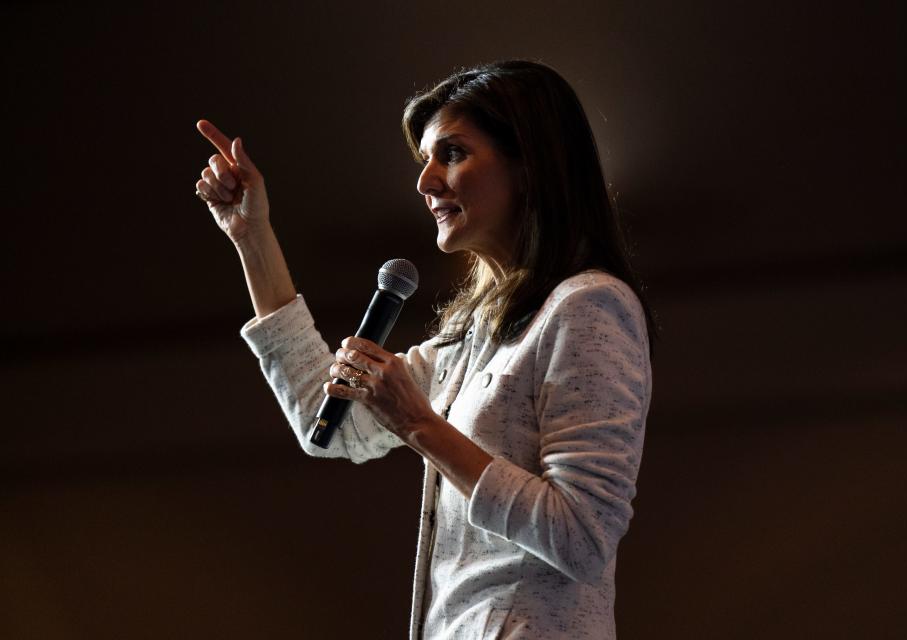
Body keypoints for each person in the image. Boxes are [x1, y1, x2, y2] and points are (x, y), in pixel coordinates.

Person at [194, 60, 653, 640]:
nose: (425, 181)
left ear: (529, 163)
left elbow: (582, 538)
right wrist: (251, 236)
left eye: (453, 154)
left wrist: (416, 422)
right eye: (426, 161)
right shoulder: (474, 336)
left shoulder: (588, 306)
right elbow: (330, 425)